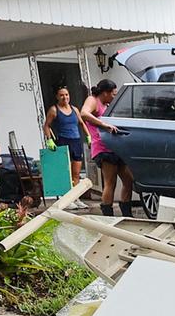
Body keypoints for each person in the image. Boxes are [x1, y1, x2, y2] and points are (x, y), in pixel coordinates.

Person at [80, 79, 133, 216]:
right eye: (113, 94)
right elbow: (84, 114)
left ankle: (127, 212)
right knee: (111, 182)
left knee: (128, 180)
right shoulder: (93, 100)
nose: (114, 97)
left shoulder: (107, 103)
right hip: (103, 148)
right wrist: (104, 125)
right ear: (105, 93)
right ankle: (108, 215)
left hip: (116, 147)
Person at [43, 86, 85, 184]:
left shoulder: (74, 109)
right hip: (63, 141)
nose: (64, 97)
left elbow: (82, 123)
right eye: (61, 95)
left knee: (76, 173)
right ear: (57, 97)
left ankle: (76, 197)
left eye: (66, 95)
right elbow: (46, 126)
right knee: (66, 172)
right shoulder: (54, 110)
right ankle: (67, 197)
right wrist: (49, 140)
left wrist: (88, 136)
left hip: (76, 141)